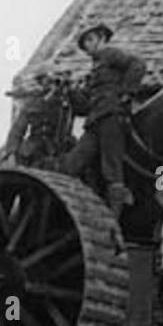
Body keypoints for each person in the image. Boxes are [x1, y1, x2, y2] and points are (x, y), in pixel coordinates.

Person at [60, 22, 146, 217]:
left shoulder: (111, 54)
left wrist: (126, 93)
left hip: (112, 118)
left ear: (102, 38)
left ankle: (113, 219)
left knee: (112, 169)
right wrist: (71, 91)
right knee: (74, 162)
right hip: (95, 121)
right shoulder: (95, 68)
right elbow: (84, 106)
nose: (87, 46)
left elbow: (138, 65)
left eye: (90, 40)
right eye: (85, 43)